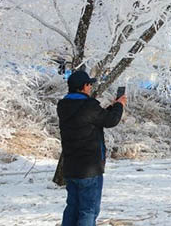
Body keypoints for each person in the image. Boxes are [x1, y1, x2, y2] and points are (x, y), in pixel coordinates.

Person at [58, 70, 126, 226]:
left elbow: (94, 118)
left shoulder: (64, 106)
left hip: (71, 168)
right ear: (83, 86)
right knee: (88, 210)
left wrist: (110, 108)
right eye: (89, 84)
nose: (90, 88)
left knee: (72, 208)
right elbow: (111, 120)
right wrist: (119, 106)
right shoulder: (89, 106)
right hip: (90, 169)